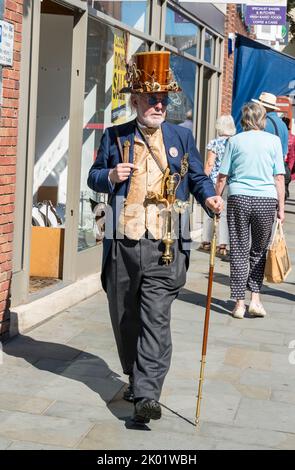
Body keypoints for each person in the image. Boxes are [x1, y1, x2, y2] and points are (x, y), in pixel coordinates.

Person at [87, 51, 223, 424]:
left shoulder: (181, 135)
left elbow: (196, 176)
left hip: (166, 244)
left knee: (156, 318)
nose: (159, 105)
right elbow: (93, 177)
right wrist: (111, 176)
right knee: (125, 315)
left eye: (164, 99)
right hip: (124, 239)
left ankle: (147, 395)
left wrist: (209, 195)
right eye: (151, 99)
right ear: (135, 101)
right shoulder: (115, 136)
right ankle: (134, 372)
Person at [215, 102, 285, 319]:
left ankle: (239, 304)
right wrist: (281, 208)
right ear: (263, 119)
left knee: (238, 250)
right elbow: (279, 177)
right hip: (266, 199)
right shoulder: (273, 141)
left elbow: (223, 175)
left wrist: (217, 198)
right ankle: (255, 299)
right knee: (258, 251)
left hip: (239, 197)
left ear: (244, 119)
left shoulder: (234, 141)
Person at [200, 115, 236, 257]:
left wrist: (202, 178)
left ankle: (207, 241)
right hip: (229, 181)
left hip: (215, 181)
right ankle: (223, 245)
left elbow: (210, 163)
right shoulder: (235, 142)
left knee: (210, 210)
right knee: (225, 212)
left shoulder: (215, 143)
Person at [252, 92, 289, 199]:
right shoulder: (283, 124)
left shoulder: (263, 123)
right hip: (280, 169)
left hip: (264, 171)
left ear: (263, 107)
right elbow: (284, 152)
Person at [282, 116, 295, 186]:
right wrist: (290, 169)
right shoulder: (293, 137)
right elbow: (292, 156)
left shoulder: (278, 135)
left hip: (280, 162)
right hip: (288, 165)